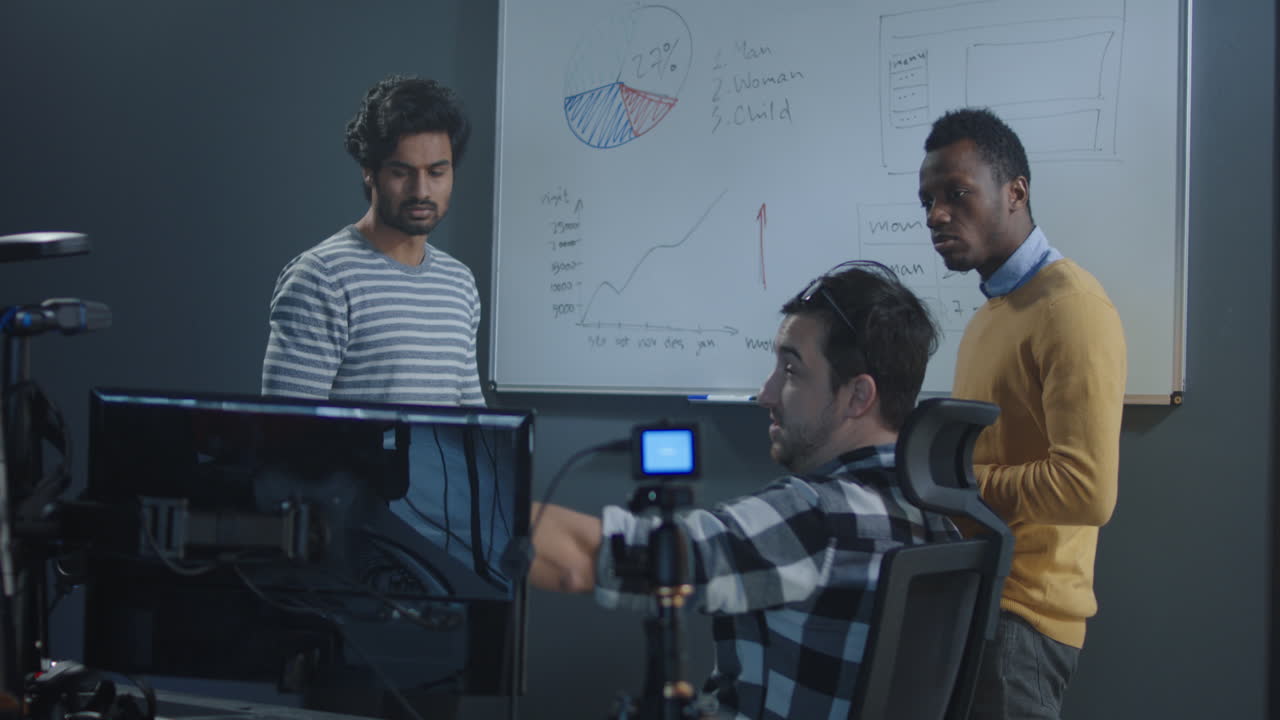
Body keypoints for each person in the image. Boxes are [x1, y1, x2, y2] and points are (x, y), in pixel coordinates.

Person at [529, 261, 958, 719]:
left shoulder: (815, 520)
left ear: (857, 396)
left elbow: (583, 560)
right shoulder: (943, 523)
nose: (765, 394)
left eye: (791, 371)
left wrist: (453, 504)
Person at [917, 108, 1126, 720]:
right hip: (978, 597)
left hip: (1024, 619)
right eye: (927, 199)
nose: (936, 215)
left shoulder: (1072, 308)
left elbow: (1087, 492)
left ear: (1016, 193)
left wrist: (959, 488)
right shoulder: (991, 315)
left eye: (956, 194)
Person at [261, 74, 485, 407]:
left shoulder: (459, 283)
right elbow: (285, 433)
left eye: (437, 173)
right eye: (401, 172)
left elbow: (472, 431)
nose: (421, 191)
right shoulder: (322, 278)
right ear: (369, 170)